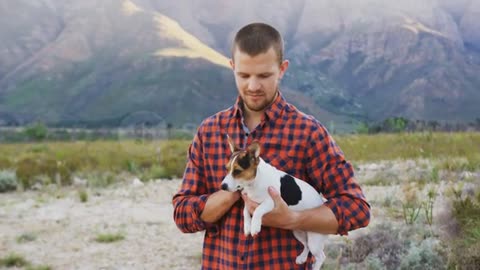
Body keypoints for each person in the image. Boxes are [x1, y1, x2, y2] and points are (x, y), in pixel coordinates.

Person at [172, 22, 370, 269]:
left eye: (264, 75)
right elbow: (182, 215)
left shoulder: (307, 132)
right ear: (232, 67)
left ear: (282, 69)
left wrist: (293, 219)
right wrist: (236, 188)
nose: (253, 86)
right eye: (244, 75)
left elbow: (356, 208)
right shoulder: (209, 132)